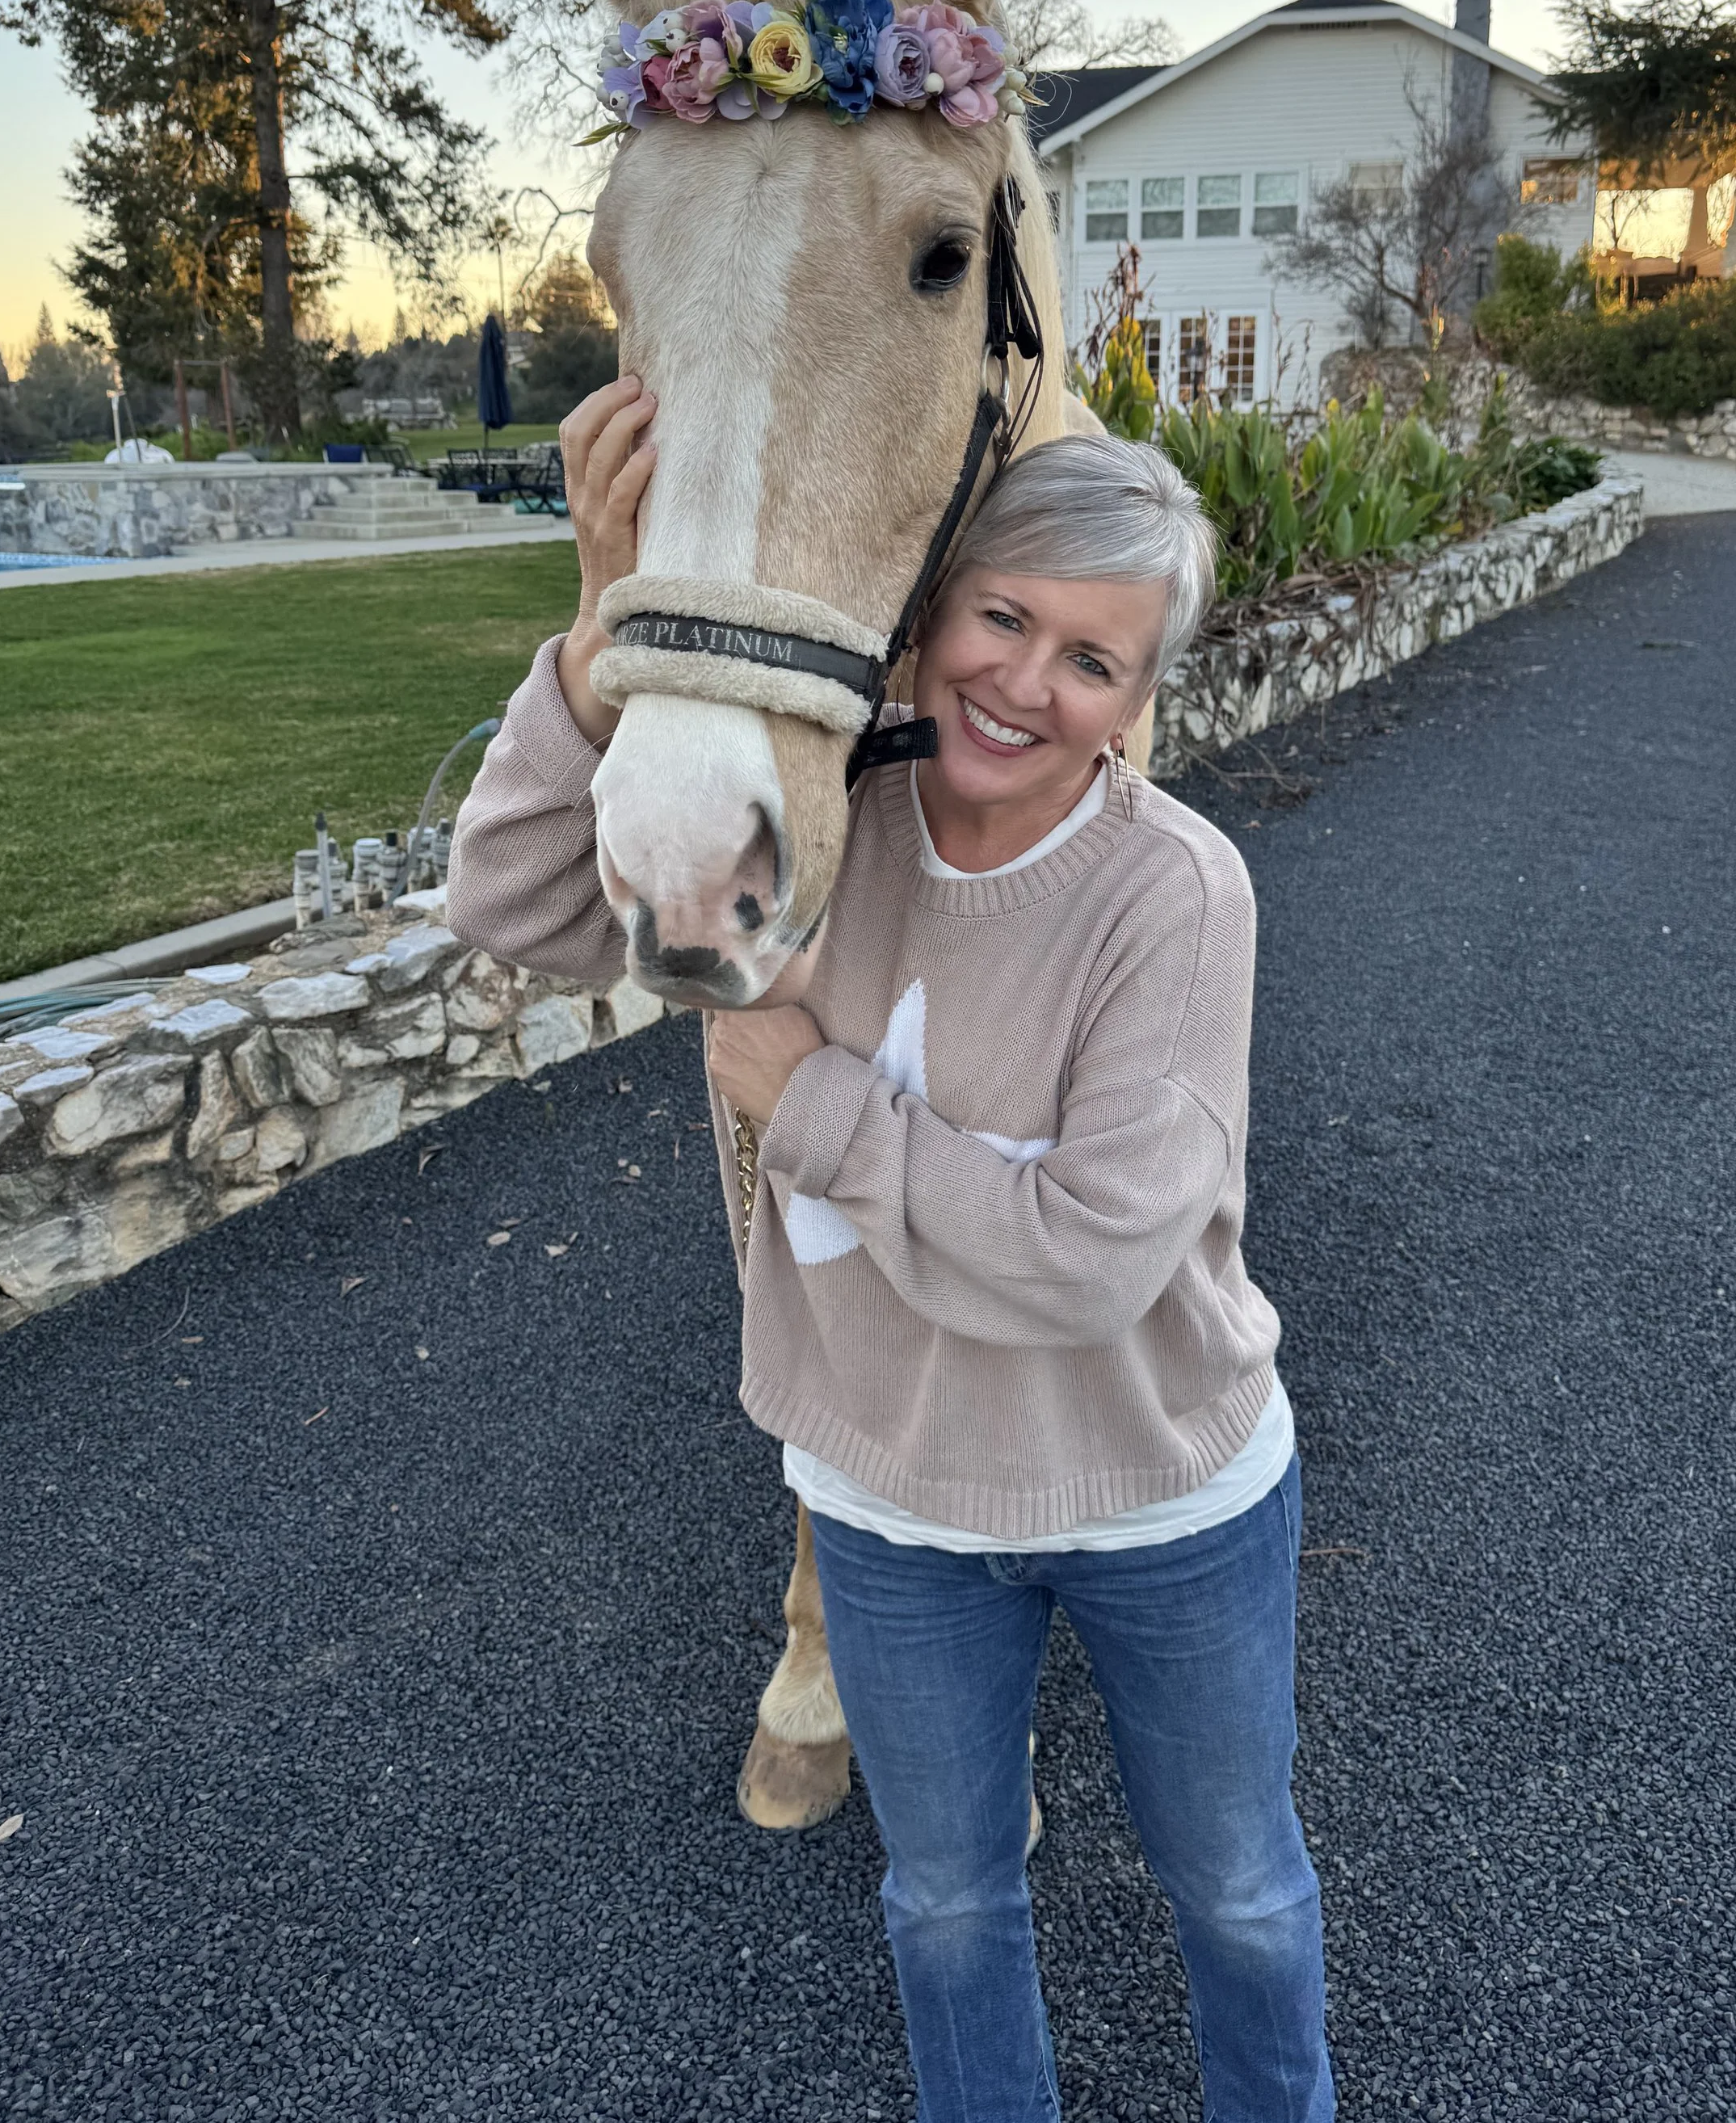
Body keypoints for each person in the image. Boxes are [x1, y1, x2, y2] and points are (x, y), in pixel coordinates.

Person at [447, 376, 1335, 2123]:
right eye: (1000, 618)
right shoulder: (823, 826)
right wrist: (590, 631)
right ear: (931, 620)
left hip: (1158, 1491)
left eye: (1092, 658)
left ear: (1138, 699)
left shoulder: (1175, 892)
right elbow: (517, 906)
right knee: (942, 1903)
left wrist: (808, 1096)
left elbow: (1086, 1261)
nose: (1024, 681)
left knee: (1233, 1886)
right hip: (889, 1511)